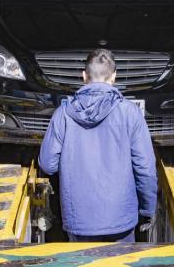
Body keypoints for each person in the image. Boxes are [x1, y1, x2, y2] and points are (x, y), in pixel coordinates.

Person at [39, 49, 157, 243]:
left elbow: (47, 164)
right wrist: (147, 209)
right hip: (121, 219)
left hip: (78, 220)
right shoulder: (130, 113)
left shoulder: (63, 114)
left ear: (84, 76)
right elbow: (145, 169)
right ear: (114, 77)